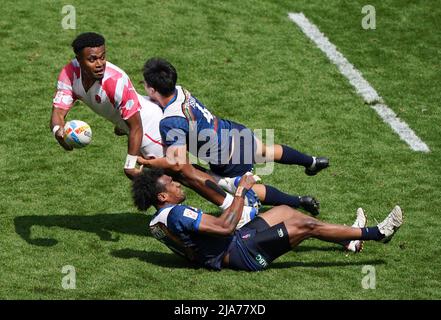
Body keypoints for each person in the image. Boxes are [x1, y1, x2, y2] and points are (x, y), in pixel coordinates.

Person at [138, 57, 328, 215]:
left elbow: (176, 161)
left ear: (153, 90)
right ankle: (311, 161)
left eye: (146, 85)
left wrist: (147, 163)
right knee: (266, 151)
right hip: (233, 131)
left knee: (246, 188)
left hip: (228, 159)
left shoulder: (170, 121)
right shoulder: (180, 90)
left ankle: (299, 201)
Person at [132, 168, 404, 271]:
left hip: (231, 245)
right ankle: (377, 233)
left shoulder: (157, 222)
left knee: (285, 211)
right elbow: (225, 227)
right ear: (163, 197)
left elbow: (193, 247)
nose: (178, 186)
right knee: (306, 226)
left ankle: (348, 241)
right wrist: (241, 191)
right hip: (240, 252)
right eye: (171, 185)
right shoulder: (179, 213)